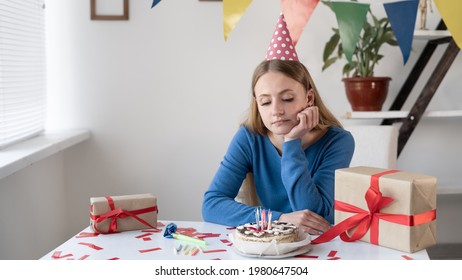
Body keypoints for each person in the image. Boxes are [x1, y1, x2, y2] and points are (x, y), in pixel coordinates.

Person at [202, 14, 354, 235]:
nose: (276, 111)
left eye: (288, 98)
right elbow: (212, 205)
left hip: (319, 247)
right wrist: (279, 218)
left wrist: (292, 142)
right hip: (268, 245)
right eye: (265, 102)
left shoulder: (338, 141)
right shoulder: (249, 137)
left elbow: (316, 217)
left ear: (309, 98)